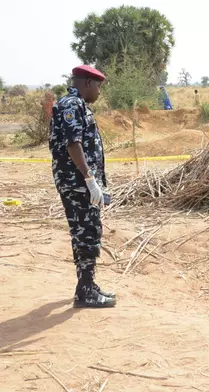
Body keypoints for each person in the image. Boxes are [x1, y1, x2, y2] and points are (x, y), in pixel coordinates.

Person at [49, 64, 116, 308]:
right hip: (77, 182)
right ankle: (85, 291)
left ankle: (87, 285)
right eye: (98, 86)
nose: (99, 92)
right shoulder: (72, 105)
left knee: (86, 232)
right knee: (86, 233)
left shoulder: (78, 105)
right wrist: (89, 179)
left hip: (80, 182)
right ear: (88, 83)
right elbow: (73, 144)